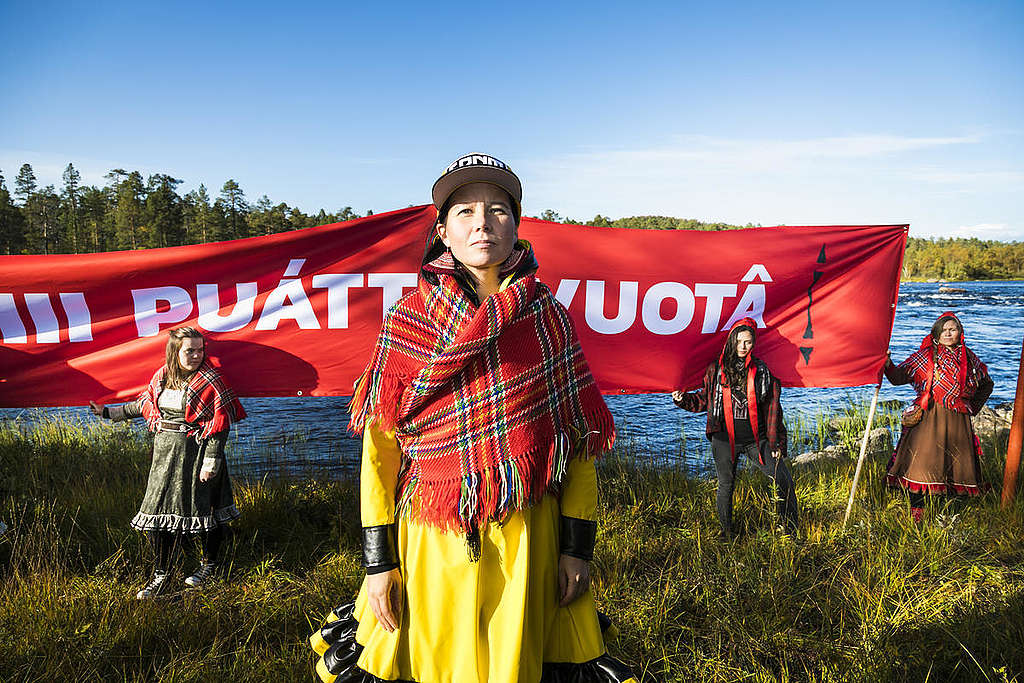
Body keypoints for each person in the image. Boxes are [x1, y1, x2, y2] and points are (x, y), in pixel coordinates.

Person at [310, 153, 636, 683]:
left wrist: (577, 550)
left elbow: (577, 446)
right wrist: (378, 561)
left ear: (517, 226)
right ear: (443, 231)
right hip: (432, 533)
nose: (482, 222)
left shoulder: (548, 318)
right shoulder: (408, 320)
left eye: (497, 209)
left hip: (529, 532)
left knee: (517, 665)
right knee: (436, 662)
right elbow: (380, 451)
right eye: (464, 211)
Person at [91, 326, 245, 598]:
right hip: (164, 458)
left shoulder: (212, 380)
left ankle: (208, 567)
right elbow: (142, 405)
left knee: (205, 513)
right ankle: (161, 575)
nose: (196, 355)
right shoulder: (161, 376)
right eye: (190, 351)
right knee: (157, 516)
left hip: (197, 456)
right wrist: (107, 413)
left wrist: (211, 461)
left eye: (200, 350)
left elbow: (219, 426)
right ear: (175, 352)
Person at [671, 318, 797, 538]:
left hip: (755, 440)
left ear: (753, 343)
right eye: (738, 341)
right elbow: (703, 401)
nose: (742, 346)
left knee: (782, 478)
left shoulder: (761, 371)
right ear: (731, 342)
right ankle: (726, 533)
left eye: (747, 342)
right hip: (723, 439)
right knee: (725, 486)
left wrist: (777, 442)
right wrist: (682, 400)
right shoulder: (716, 370)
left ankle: (788, 529)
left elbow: (773, 409)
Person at [883, 311, 993, 522]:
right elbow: (898, 378)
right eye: (944, 330)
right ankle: (918, 510)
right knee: (921, 463)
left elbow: (986, 383)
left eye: (952, 329)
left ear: (960, 332)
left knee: (953, 464)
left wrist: (972, 407)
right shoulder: (924, 356)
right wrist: (887, 363)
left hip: (958, 420)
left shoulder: (969, 358)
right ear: (936, 333)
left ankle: (948, 508)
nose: (948, 333)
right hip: (928, 417)